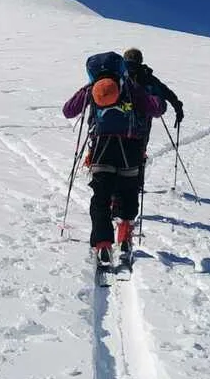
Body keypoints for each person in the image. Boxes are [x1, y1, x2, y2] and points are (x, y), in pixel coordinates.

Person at [63, 52, 166, 266]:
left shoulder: (93, 88)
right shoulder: (130, 86)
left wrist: (88, 90)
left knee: (101, 198)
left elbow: (68, 111)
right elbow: (157, 108)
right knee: (128, 192)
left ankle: (102, 245)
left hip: (101, 148)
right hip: (130, 149)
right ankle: (125, 236)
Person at [122, 47, 183, 192]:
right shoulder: (148, 77)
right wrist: (177, 107)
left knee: (120, 149)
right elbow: (166, 92)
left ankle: (117, 185)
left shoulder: (118, 73)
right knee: (139, 151)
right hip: (142, 123)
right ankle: (137, 184)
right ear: (140, 60)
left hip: (120, 119)